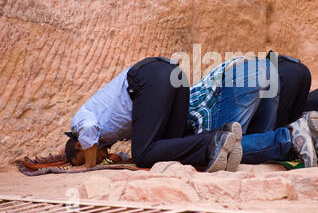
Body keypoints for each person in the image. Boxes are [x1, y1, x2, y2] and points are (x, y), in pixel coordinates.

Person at [64, 57, 243, 173]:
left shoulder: (78, 122)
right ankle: (223, 135)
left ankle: (212, 143)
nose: (98, 158)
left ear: (80, 145)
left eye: (84, 157)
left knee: (143, 155)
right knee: (168, 149)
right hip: (174, 75)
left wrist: (88, 166)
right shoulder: (107, 137)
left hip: (149, 78)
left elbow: (88, 128)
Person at [188, 53, 318, 168]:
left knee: (225, 145)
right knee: (256, 139)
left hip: (247, 76)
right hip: (266, 69)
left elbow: (205, 138)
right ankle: (301, 134)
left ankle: (290, 138)